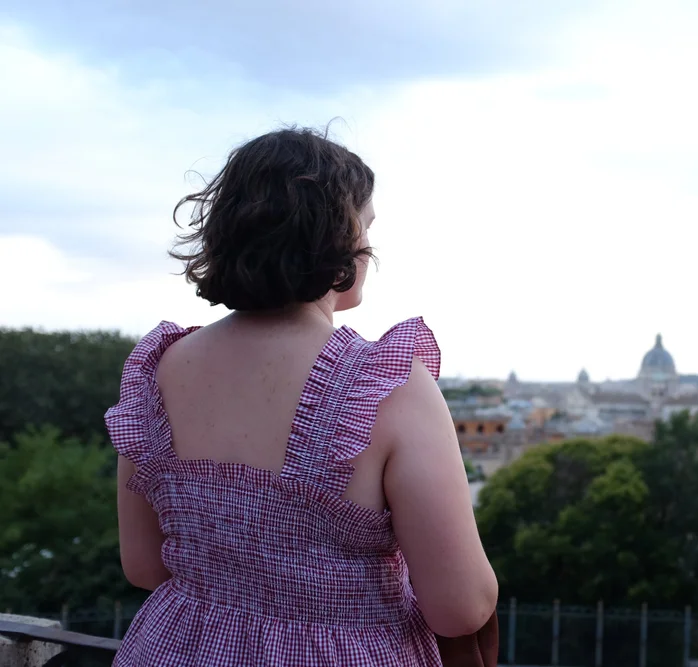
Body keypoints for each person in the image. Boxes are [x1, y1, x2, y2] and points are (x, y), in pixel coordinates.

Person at [107, 127, 498, 665]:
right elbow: (460, 607)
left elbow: (144, 567)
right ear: (340, 239)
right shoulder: (385, 385)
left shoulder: (156, 369)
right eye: (366, 226)